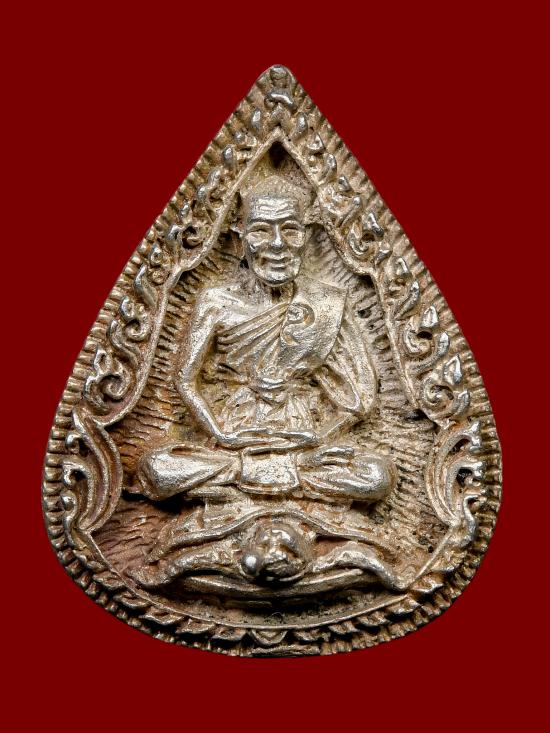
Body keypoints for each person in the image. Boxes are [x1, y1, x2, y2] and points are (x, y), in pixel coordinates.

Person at [132, 169, 397, 590]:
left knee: (377, 475)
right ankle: (268, 478)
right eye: (261, 230)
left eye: (290, 230)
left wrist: (318, 437)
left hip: (303, 442)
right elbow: (185, 380)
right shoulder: (216, 301)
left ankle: (260, 480)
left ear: (307, 234)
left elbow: (360, 397)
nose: (276, 244)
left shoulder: (327, 303)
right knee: (158, 469)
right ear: (239, 237)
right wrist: (221, 434)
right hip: (234, 440)